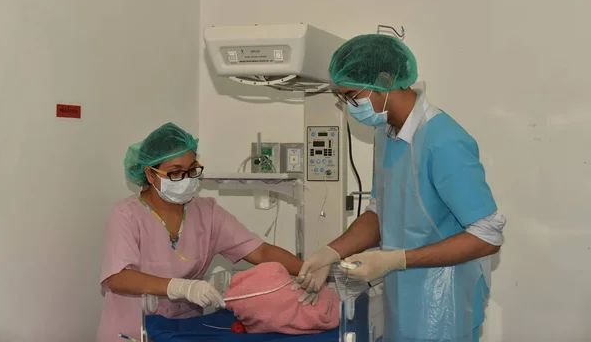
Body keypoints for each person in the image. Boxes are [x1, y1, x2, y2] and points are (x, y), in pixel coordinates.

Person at [294, 34, 507, 341]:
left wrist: (396, 259)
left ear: (385, 80)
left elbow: (488, 235)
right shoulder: (385, 134)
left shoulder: (443, 140)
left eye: (352, 96)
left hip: (444, 303)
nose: (348, 107)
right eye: (342, 99)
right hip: (403, 300)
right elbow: (380, 211)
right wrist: (329, 253)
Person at [97, 122, 303, 342]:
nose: (186, 179)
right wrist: (180, 287)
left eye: (192, 170)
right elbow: (118, 278)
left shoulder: (207, 212)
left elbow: (260, 252)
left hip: (184, 331)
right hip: (132, 332)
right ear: (150, 174)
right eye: (176, 173)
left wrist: (310, 271)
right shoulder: (127, 215)